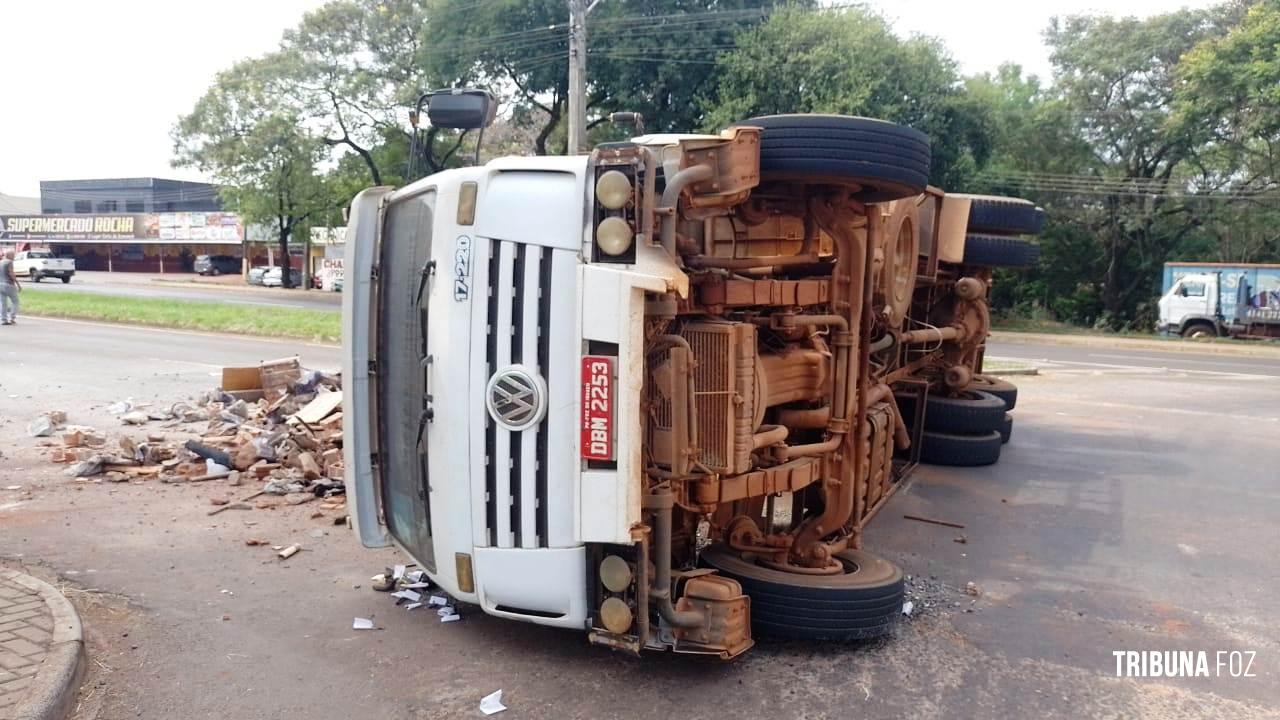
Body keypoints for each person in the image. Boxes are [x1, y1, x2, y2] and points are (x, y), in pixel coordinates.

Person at [0, 250, 20, 325]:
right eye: (13, 255)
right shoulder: (9, 262)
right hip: (8, 284)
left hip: (0, 284)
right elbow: (11, 273)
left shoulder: (0, 262)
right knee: (15, 301)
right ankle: (12, 317)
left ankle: (4, 319)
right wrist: (18, 284)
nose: (14, 256)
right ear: (9, 255)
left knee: (3, 303)